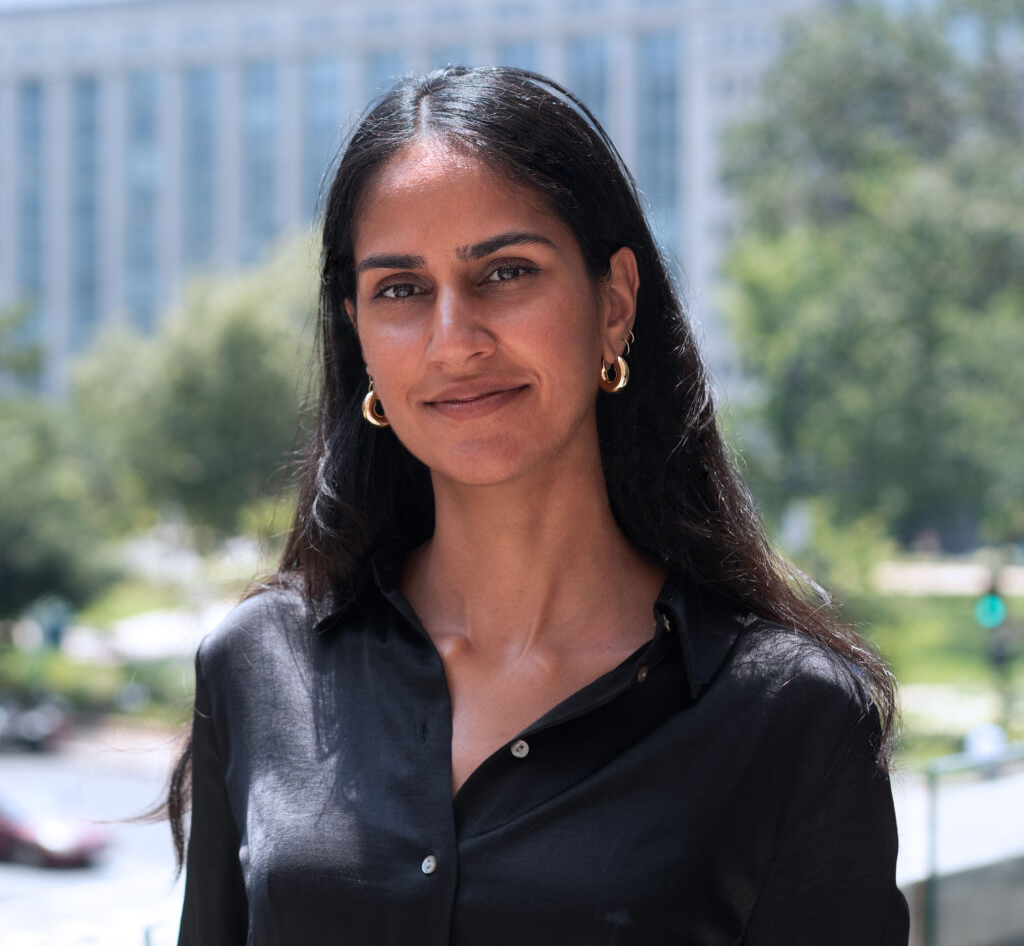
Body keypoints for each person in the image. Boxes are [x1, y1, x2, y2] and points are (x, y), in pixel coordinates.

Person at [171, 66, 909, 944]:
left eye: (506, 271)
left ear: (615, 302)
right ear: (359, 335)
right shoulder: (258, 664)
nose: (455, 341)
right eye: (401, 290)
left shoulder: (788, 714)